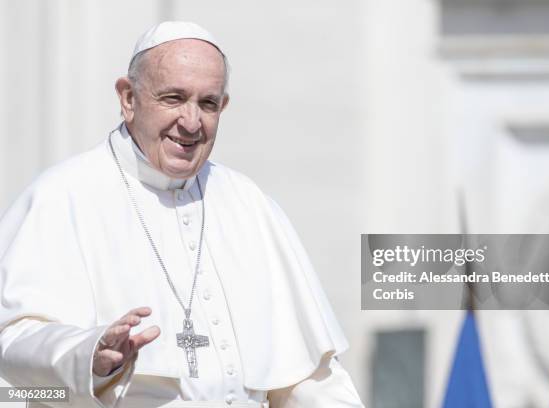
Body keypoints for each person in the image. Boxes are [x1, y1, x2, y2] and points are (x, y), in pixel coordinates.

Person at [0, 21, 364, 408]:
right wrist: (89, 354)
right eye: (173, 98)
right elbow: (13, 341)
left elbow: (306, 378)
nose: (191, 123)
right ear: (128, 98)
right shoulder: (62, 197)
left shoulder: (248, 204)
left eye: (208, 103)